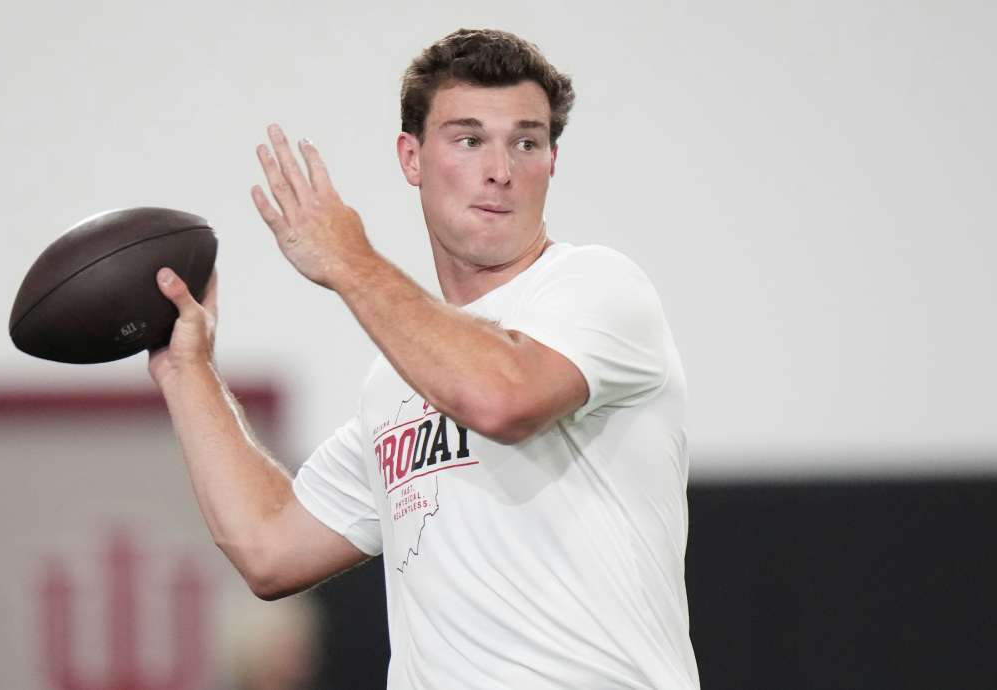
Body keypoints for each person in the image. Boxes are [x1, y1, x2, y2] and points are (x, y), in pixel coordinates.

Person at [149, 28, 701, 689]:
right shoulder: (396, 383)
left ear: (551, 160)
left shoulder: (600, 289)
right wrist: (188, 371)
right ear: (411, 158)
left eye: (525, 142)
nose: (500, 168)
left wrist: (348, 259)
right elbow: (268, 547)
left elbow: (502, 397)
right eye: (469, 140)